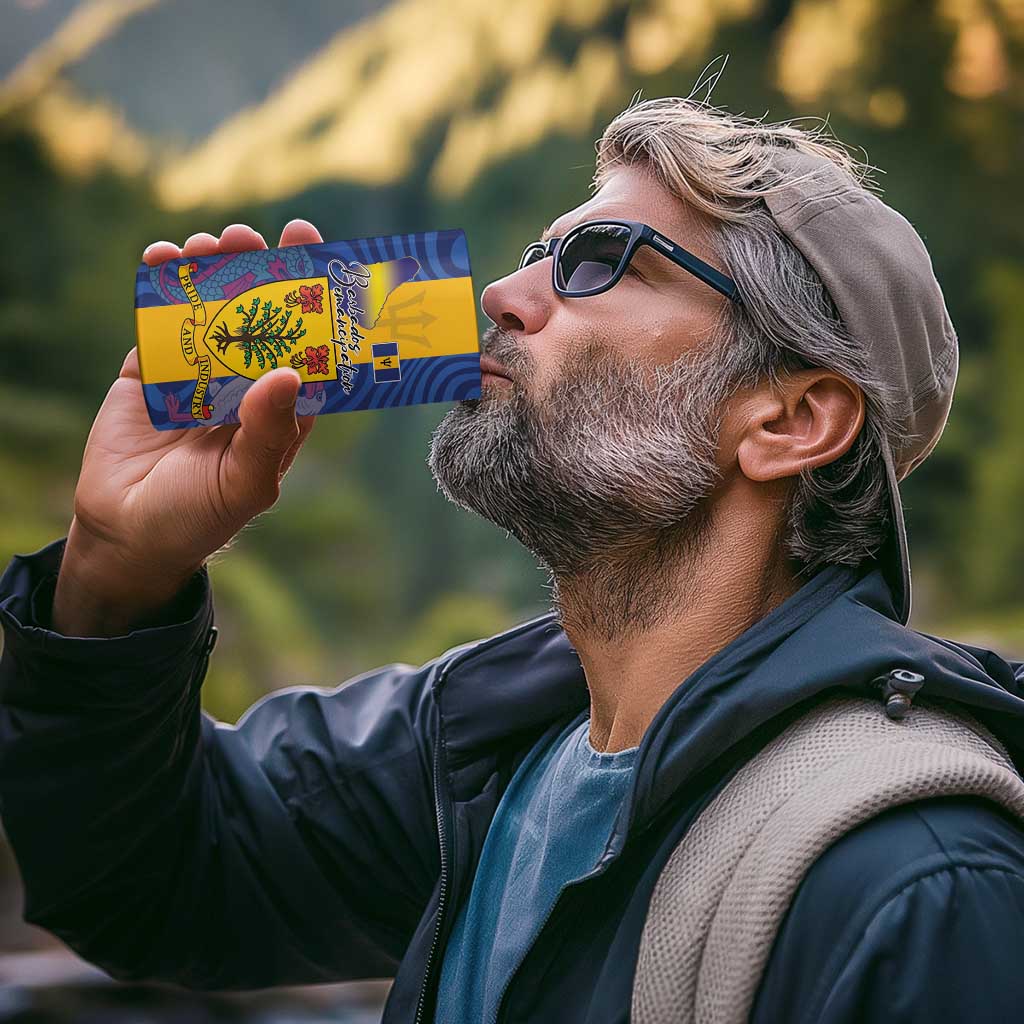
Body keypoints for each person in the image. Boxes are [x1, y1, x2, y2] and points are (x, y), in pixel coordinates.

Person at [2, 95, 1024, 1024]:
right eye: (540, 252)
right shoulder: (479, 750)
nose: (502, 292)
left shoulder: (918, 884)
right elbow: (149, 880)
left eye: (600, 261)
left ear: (791, 419)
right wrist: (116, 572)